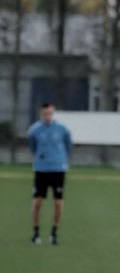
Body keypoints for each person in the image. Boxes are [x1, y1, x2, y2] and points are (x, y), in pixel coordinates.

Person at [28, 102, 73, 245]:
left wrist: (60, 159)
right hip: (41, 169)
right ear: (41, 113)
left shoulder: (62, 129)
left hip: (58, 169)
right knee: (37, 202)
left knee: (58, 203)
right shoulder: (34, 130)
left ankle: (54, 232)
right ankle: (36, 232)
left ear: (53, 113)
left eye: (50, 113)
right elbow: (32, 147)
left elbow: (68, 146)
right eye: (45, 113)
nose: (48, 116)